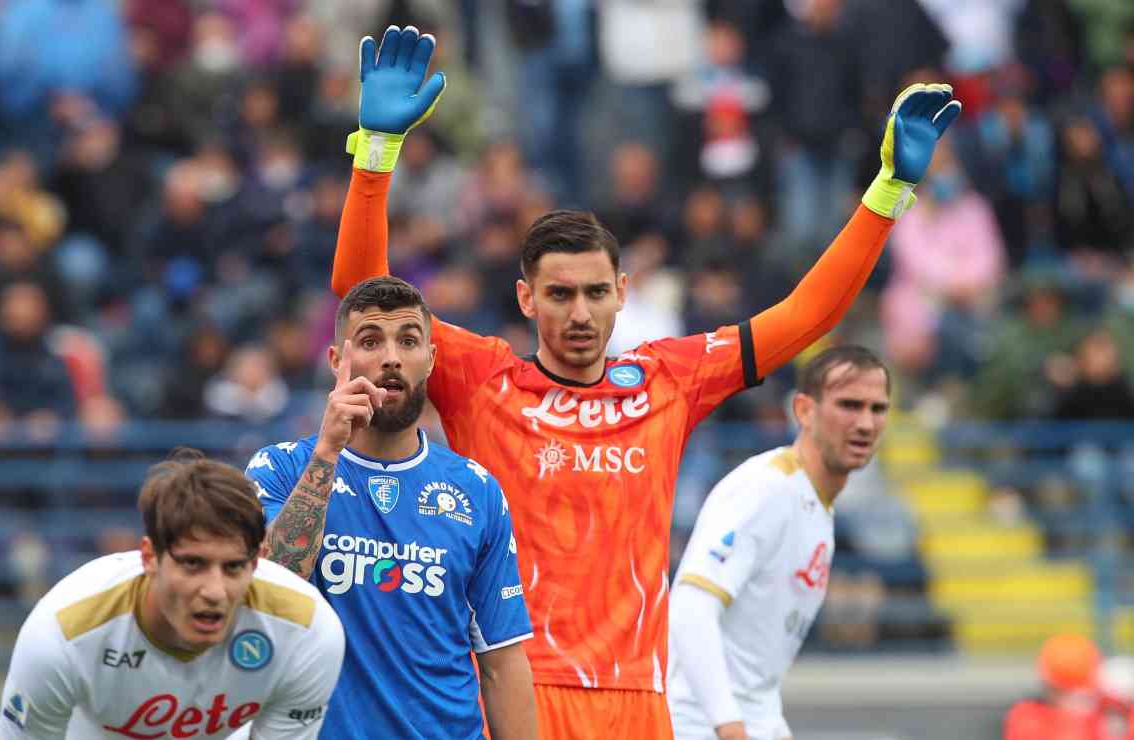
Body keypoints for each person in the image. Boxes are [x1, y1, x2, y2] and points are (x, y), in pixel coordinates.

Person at [331, 25, 960, 739]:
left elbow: (806, 315)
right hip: (513, 693)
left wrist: (889, 191)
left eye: (596, 292)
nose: (580, 312)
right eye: (560, 294)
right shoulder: (482, 377)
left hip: (639, 702)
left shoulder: (668, 379)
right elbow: (362, 294)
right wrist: (375, 157)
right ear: (526, 300)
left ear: (623, 292)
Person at [247, 275, 537, 740]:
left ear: (431, 360)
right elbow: (271, 589)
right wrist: (327, 454)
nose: (391, 357)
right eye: (370, 340)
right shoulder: (280, 468)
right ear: (336, 360)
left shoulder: (478, 492)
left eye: (408, 340)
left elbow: (502, 661)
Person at [0, 451, 345, 739]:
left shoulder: (307, 630)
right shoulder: (64, 631)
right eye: (193, 564)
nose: (214, 591)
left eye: (234, 567)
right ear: (149, 557)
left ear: (256, 562)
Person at [665, 345, 891, 740]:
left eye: (877, 409)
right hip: (695, 725)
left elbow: (755, 671)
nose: (866, 423)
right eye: (849, 405)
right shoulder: (767, 489)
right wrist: (730, 726)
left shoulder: (817, 508)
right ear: (804, 410)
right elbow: (690, 607)